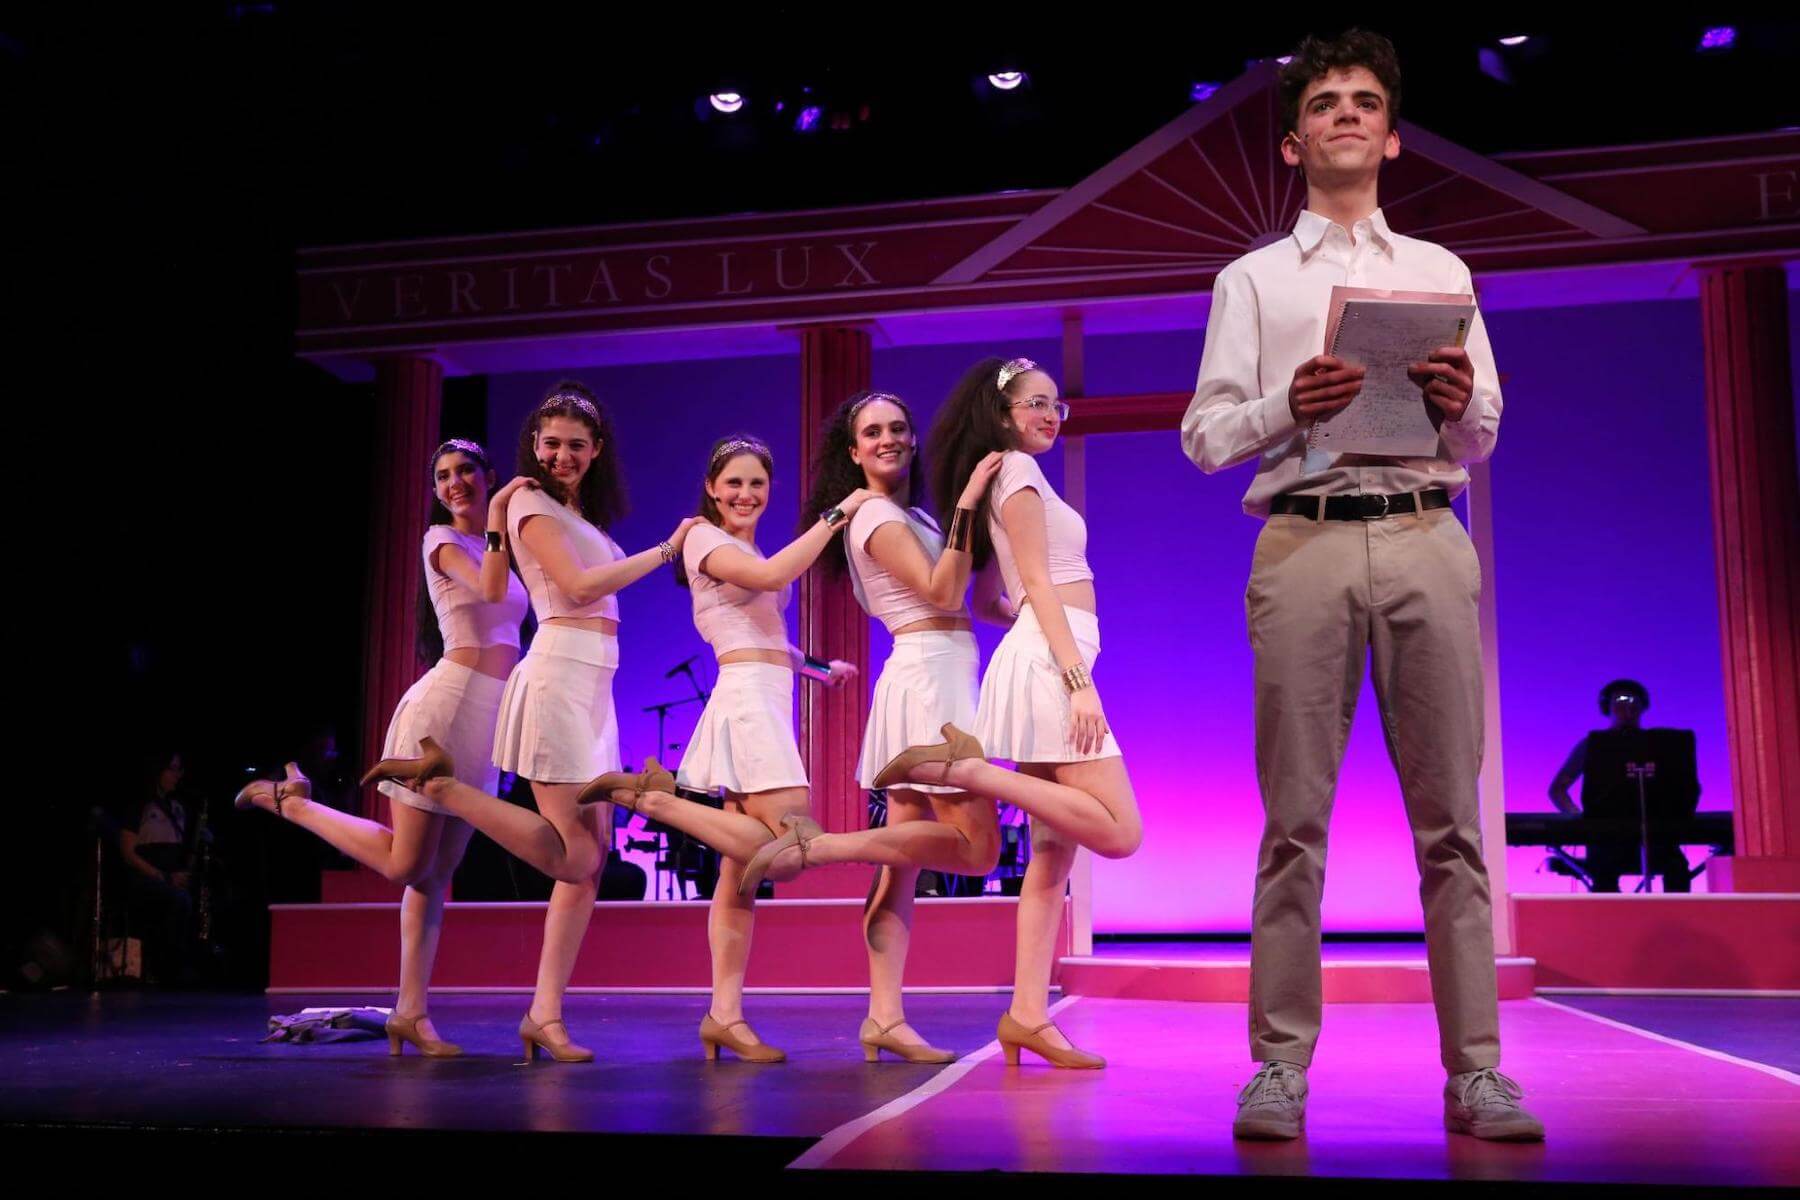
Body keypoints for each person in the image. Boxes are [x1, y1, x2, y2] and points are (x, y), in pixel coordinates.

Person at [1182, 31, 1541, 1141]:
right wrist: (1289, 403)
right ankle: (1279, 1065)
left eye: (1365, 101)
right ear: (1294, 144)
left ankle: (1478, 1072)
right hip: (1305, 541)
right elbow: (1203, 436)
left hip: (1428, 530)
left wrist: (1449, 397)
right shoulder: (1250, 279)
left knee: (1454, 828)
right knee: (1295, 822)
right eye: (1325, 102)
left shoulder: (1442, 272)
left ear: (1390, 135)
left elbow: (1479, 435)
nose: (1346, 114)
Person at [364, 382, 699, 1063]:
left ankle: (545, 1016)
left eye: (577, 444)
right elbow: (574, 590)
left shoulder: (585, 518)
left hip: (594, 683)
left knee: (590, 865)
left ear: (597, 450)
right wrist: (667, 551)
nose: (563, 455)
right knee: (572, 855)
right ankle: (448, 789)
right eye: (551, 443)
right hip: (556, 677)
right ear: (533, 448)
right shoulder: (525, 503)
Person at [865, 358, 1144, 1069]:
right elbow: (1042, 585)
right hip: (1053, 666)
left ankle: (1025, 1015)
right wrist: (1076, 677)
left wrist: (1032, 622)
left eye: (1058, 406)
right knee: (1121, 833)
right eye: (1037, 404)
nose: (1052, 416)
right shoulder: (1018, 472)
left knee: (1052, 857)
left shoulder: (1012, 476)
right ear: (1004, 413)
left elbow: (992, 597)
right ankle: (969, 771)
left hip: (1038, 654)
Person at [578, 434, 865, 1062]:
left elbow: (763, 629)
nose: (745, 494)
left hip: (766, 691)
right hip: (747, 698)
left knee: (740, 878)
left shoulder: (742, 544)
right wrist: (839, 513)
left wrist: (818, 666)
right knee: (789, 853)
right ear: (711, 487)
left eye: (757, 484)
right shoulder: (705, 538)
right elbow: (769, 579)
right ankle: (651, 799)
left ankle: (724, 1016)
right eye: (733, 483)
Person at [236, 438, 527, 1054]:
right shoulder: (442, 542)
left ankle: (410, 1014)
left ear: (487, 474)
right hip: (445, 711)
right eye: (443, 475)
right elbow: (492, 594)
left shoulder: (497, 544)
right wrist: (501, 520)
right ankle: (291, 803)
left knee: (434, 875)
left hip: (489, 719)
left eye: (466, 470)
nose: (455, 483)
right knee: (405, 865)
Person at [1549, 679, 1696, 892]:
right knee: (1604, 872)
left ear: (1643, 706)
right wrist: (1578, 818)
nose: (1628, 706)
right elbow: (1557, 789)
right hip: (1607, 837)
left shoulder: (1662, 746)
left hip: (1657, 833)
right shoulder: (1592, 746)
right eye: (1619, 700)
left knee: (1677, 869)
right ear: (1606, 706)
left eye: (1634, 700)